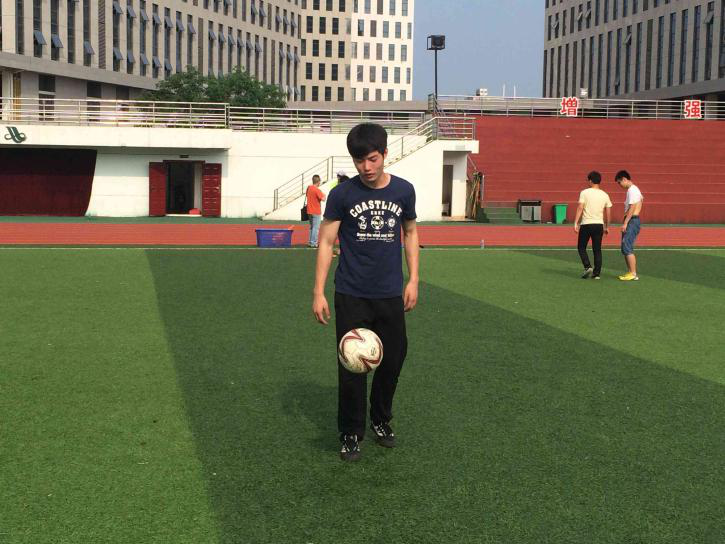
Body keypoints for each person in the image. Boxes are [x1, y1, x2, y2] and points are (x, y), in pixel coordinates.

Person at [311, 123, 419, 462]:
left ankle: (381, 419)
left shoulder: (403, 191)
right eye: (360, 161)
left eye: (372, 159)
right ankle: (350, 432)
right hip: (351, 292)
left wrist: (414, 279)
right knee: (351, 365)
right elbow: (326, 241)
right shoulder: (342, 195)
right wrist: (318, 291)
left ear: (385, 154)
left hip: (389, 293)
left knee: (394, 358)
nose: (367, 167)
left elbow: (411, 233)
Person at [573, 171, 612, 280]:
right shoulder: (605, 194)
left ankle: (587, 266)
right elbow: (608, 211)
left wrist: (575, 222)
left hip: (586, 223)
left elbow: (580, 207)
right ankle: (597, 274)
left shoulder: (584, 192)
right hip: (599, 224)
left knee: (581, 247)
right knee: (597, 249)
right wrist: (607, 226)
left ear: (590, 181)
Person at [614, 170, 643, 281]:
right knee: (625, 247)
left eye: (619, 182)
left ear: (624, 179)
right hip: (632, 220)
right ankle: (630, 272)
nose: (619, 185)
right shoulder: (634, 190)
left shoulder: (632, 190)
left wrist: (626, 222)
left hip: (632, 220)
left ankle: (633, 273)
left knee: (627, 246)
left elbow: (632, 207)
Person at [305, 175, 326, 248]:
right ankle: (313, 243)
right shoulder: (317, 190)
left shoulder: (309, 188)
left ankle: (310, 242)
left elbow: (308, 196)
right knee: (315, 228)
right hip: (316, 211)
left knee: (311, 227)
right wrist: (324, 195)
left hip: (309, 210)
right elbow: (323, 199)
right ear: (318, 181)